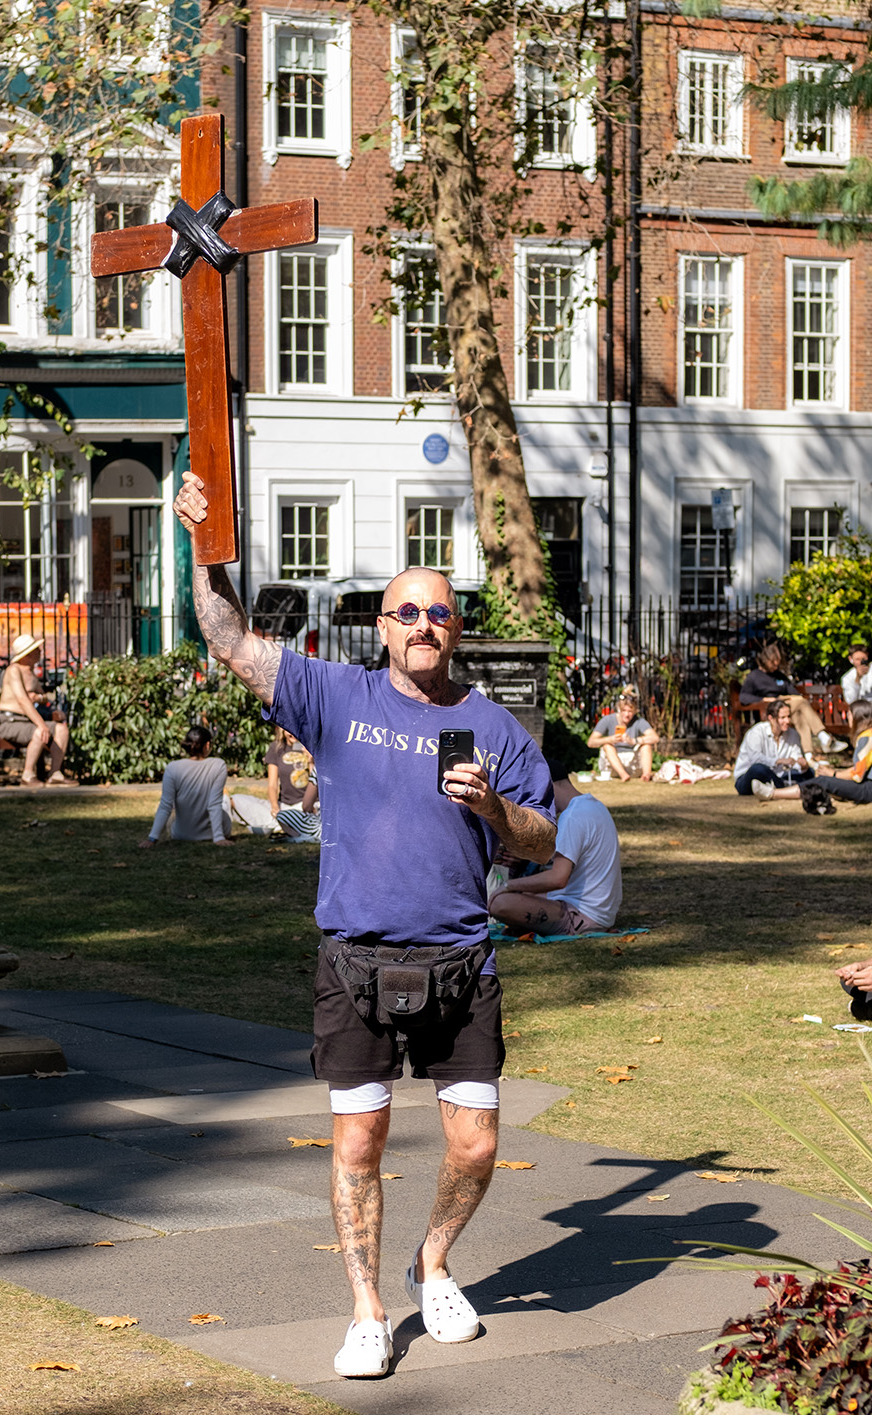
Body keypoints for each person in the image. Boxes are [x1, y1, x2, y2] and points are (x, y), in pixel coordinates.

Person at [173, 469, 556, 1381]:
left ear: (455, 628)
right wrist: (202, 543)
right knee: (358, 1140)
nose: (425, 624)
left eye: (439, 612)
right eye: (407, 612)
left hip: (462, 961)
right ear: (382, 629)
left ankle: (432, 1265)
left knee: (475, 1141)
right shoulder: (333, 696)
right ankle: (366, 1310)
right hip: (355, 962)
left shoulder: (493, 727)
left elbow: (540, 838)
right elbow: (227, 635)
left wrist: (499, 812)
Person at [488, 759, 622, 935]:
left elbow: (557, 878)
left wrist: (508, 885)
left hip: (584, 917)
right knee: (520, 898)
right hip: (598, 910)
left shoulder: (572, 816)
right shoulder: (593, 805)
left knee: (500, 903)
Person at [739, 644, 846, 761]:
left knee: (800, 718)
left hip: (786, 705)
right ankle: (822, 735)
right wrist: (763, 700)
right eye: (773, 662)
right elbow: (744, 697)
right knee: (801, 702)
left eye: (777, 663)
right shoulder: (754, 676)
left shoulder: (779, 676)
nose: (776, 665)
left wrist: (788, 697)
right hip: (770, 706)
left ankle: (808, 756)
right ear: (765, 660)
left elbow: (793, 692)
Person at [0, 633, 71, 786]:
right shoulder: (13, 670)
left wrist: (38, 698)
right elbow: (23, 701)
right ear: (27, 654)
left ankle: (55, 773)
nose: (40, 651)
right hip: (10, 721)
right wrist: (42, 725)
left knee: (61, 730)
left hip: (27, 721)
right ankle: (28, 775)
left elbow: (43, 697)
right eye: (36, 649)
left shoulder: (30, 674)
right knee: (39, 732)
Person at [140, 725, 233, 847]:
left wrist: (152, 839)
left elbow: (165, 805)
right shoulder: (218, 765)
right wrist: (219, 838)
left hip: (180, 834)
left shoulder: (172, 768)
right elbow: (214, 804)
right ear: (207, 745)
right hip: (211, 834)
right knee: (225, 803)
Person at [733, 698, 814, 801]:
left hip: (779, 776)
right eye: (782, 718)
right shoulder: (756, 732)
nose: (787, 721)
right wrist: (778, 761)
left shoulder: (793, 734)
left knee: (810, 772)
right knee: (757, 769)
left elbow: (795, 759)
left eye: (789, 717)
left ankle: (781, 789)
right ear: (771, 718)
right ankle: (787, 789)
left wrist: (803, 766)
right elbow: (755, 759)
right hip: (748, 778)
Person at [797, 700, 872, 810]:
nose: (847, 717)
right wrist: (836, 773)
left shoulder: (866, 738)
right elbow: (859, 768)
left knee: (824, 781)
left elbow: (857, 776)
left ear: (858, 716)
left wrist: (833, 774)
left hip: (868, 789)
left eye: (850, 714)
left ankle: (774, 793)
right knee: (826, 781)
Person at [586, 688, 658, 781]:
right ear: (619, 709)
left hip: (632, 760)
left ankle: (646, 775)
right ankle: (623, 775)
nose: (627, 714)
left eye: (630, 711)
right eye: (624, 710)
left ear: (635, 711)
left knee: (646, 746)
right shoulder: (608, 720)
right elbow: (591, 742)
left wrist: (633, 741)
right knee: (607, 746)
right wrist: (610, 739)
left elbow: (655, 738)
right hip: (613, 760)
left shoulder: (639, 721)